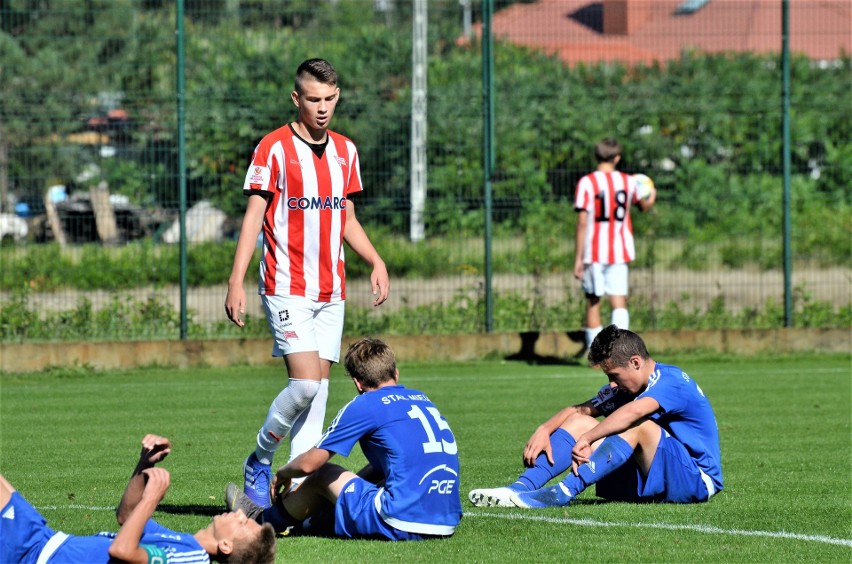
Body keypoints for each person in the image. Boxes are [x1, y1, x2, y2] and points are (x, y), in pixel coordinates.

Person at [224, 58, 390, 510]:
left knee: (319, 392)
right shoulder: (273, 148)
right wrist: (235, 281)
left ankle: (294, 492)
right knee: (304, 386)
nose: (322, 108)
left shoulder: (346, 151)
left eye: (330, 99)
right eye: (313, 99)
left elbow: (346, 218)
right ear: (297, 98)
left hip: (330, 290)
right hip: (284, 286)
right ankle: (260, 460)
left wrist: (375, 259)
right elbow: (254, 216)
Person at [225, 337, 462, 540]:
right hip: (446, 519)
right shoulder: (421, 398)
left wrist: (283, 473)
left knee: (322, 474)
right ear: (395, 373)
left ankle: (260, 521)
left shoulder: (366, 404)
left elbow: (310, 464)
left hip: (401, 519)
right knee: (373, 473)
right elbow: (389, 464)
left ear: (358, 383)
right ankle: (314, 520)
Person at [468, 325, 722, 508]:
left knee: (636, 424)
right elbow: (578, 411)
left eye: (614, 375)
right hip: (648, 476)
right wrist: (544, 428)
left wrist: (589, 438)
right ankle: (519, 490)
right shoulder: (627, 387)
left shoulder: (671, 381)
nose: (611, 384)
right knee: (580, 422)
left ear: (635, 362)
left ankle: (562, 492)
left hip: (695, 481)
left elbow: (633, 413)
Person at [0, 434, 276, 563]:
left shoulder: (189, 559)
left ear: (226, 546)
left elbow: (122, 551)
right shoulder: (186, 544)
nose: (241, 514)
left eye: (243, 524)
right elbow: (126, 516)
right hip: (42, 543)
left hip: (34, 553)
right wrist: (145, 466)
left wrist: (151, 499)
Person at [573, 138, 656, 351]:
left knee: (593, 301)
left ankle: (595, 355)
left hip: (593, 251)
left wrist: (578, 258)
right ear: (617, 158)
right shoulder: (629, 182)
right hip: (620, 250)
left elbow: (582, 222)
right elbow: (643, 205)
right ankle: (619, 351)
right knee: (618, 301)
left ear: (596, 156)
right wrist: (651, 195)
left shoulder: (587, 182)